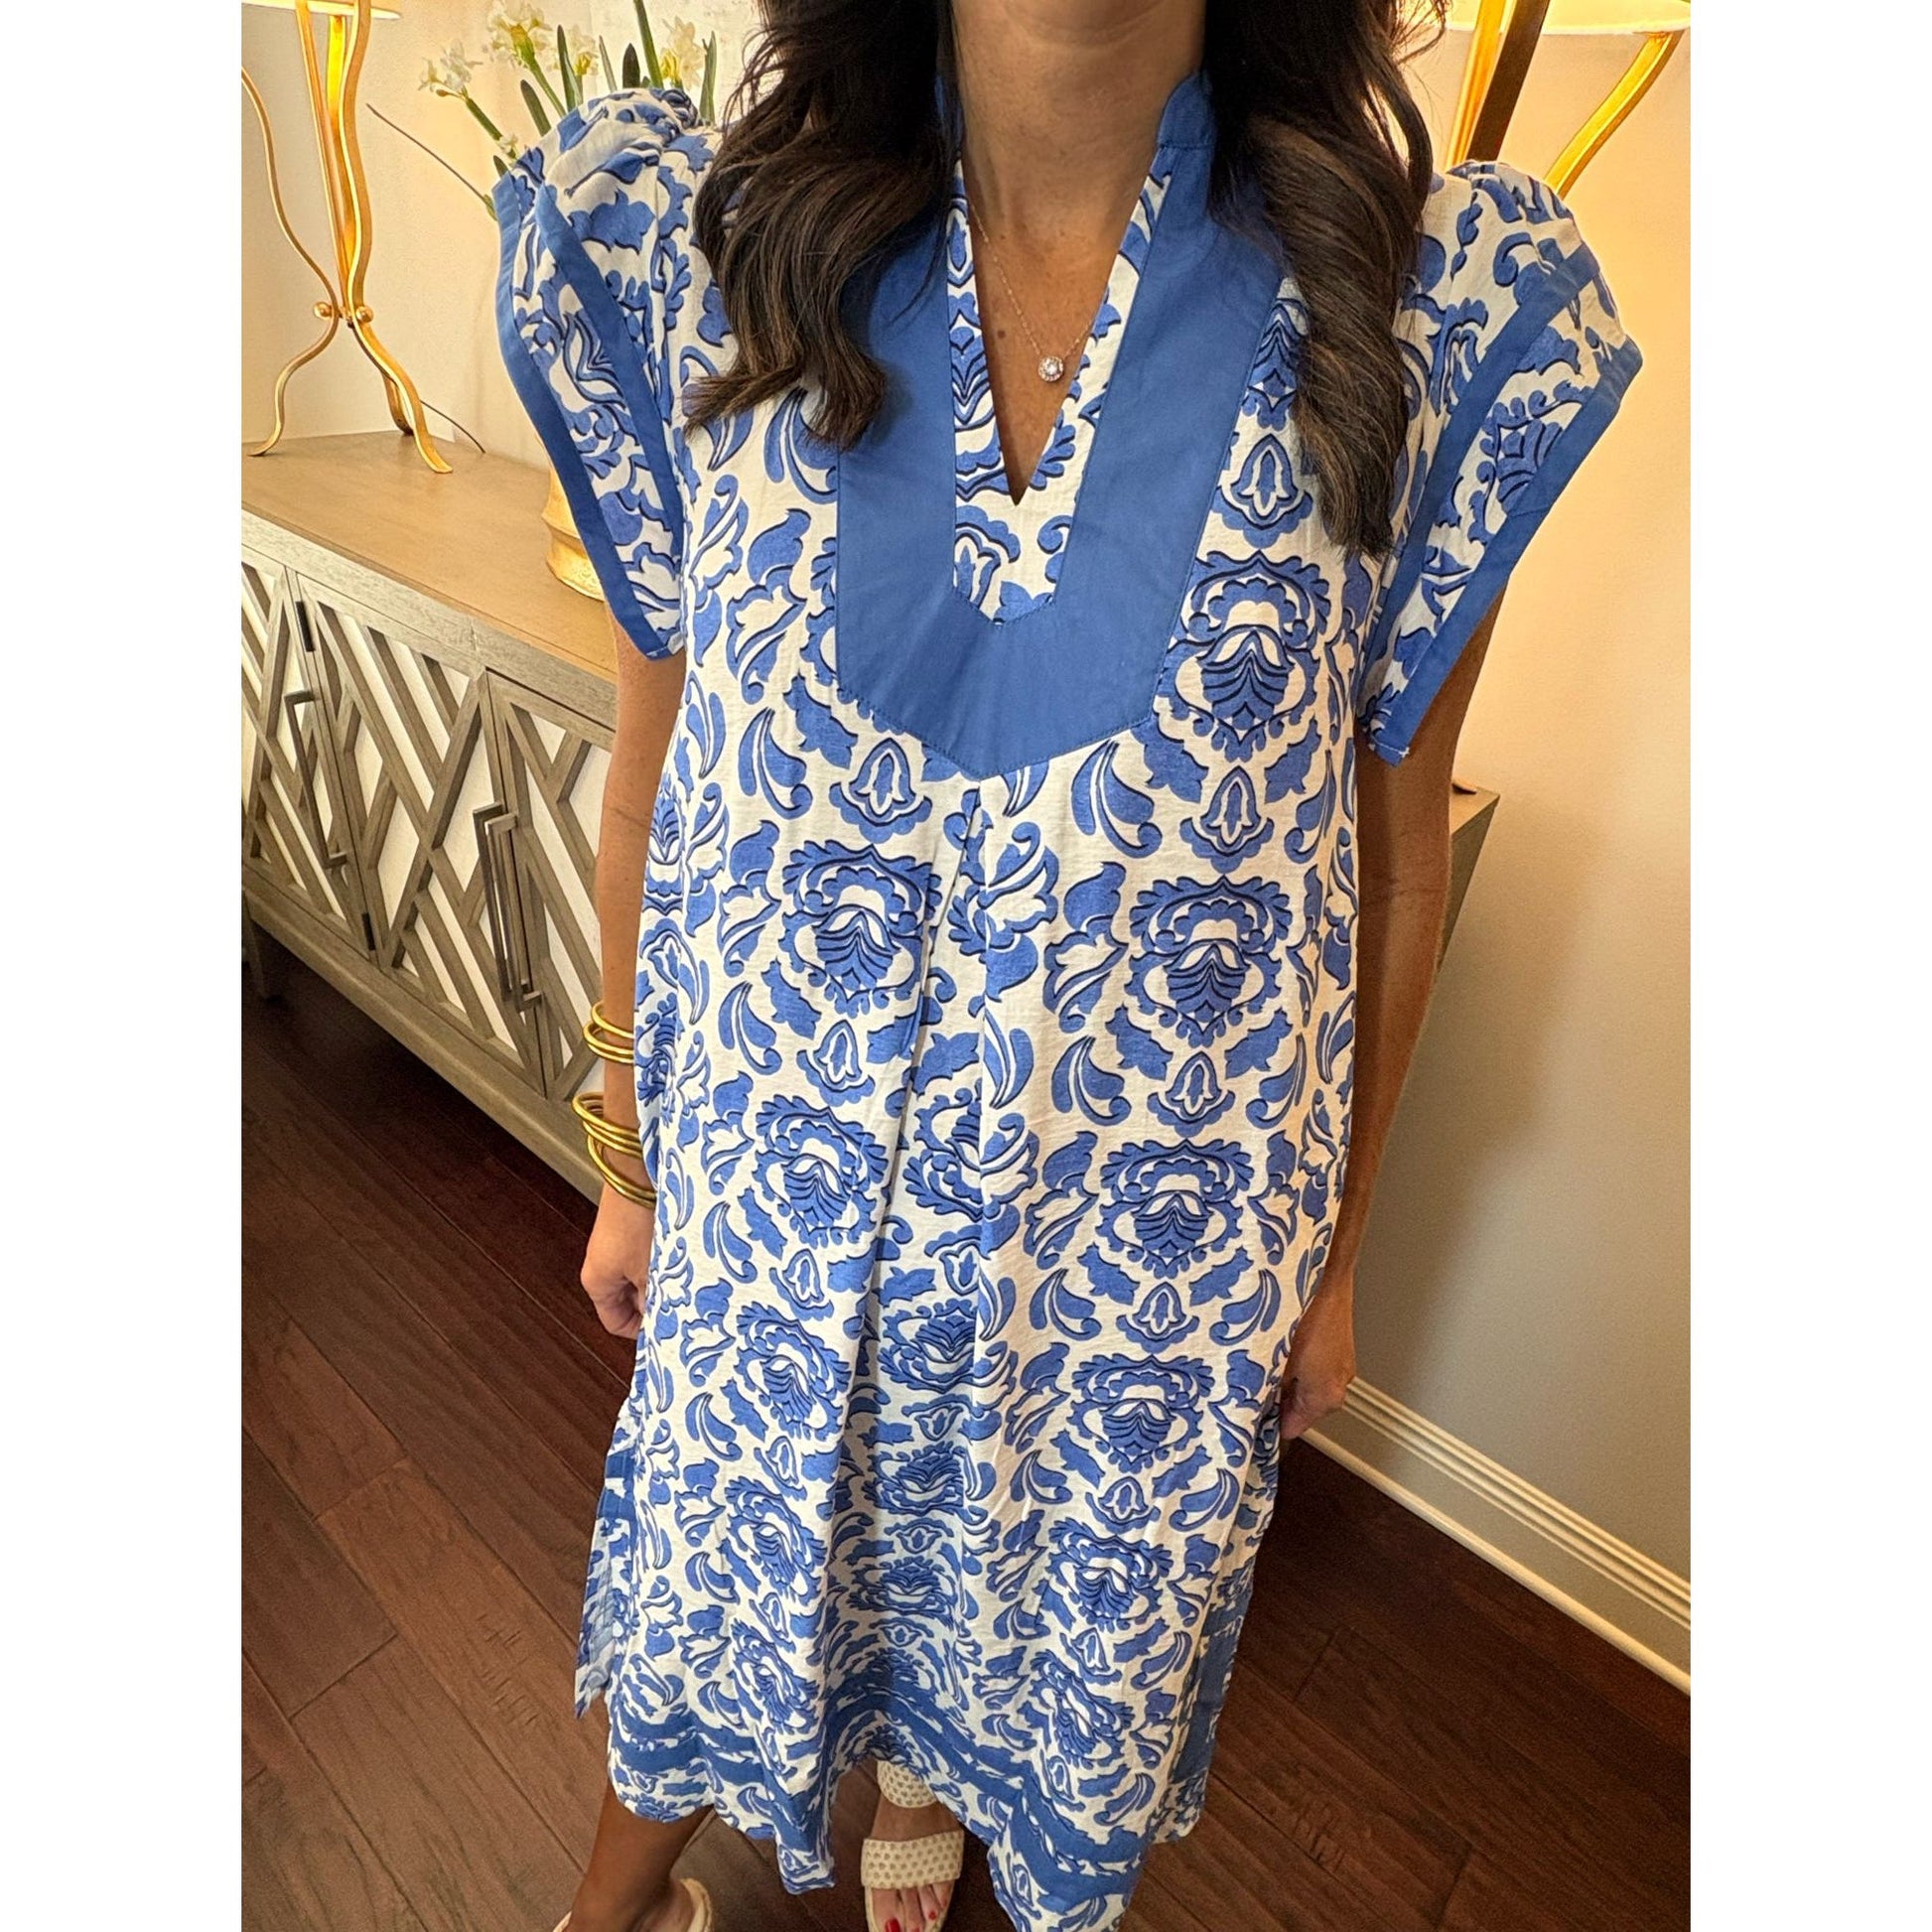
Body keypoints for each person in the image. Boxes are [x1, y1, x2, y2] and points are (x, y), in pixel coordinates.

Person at [491, 2, 1641, 1929]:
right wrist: (626, 1146)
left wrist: (1336, 1249)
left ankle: (932, 1782)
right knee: (719, 1596)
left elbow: (1392, 859)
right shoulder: (703, 252)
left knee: (1025, 1652)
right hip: (770, 1240)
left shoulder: (1424, 317)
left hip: (1130, 1296)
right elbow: (655, 780)